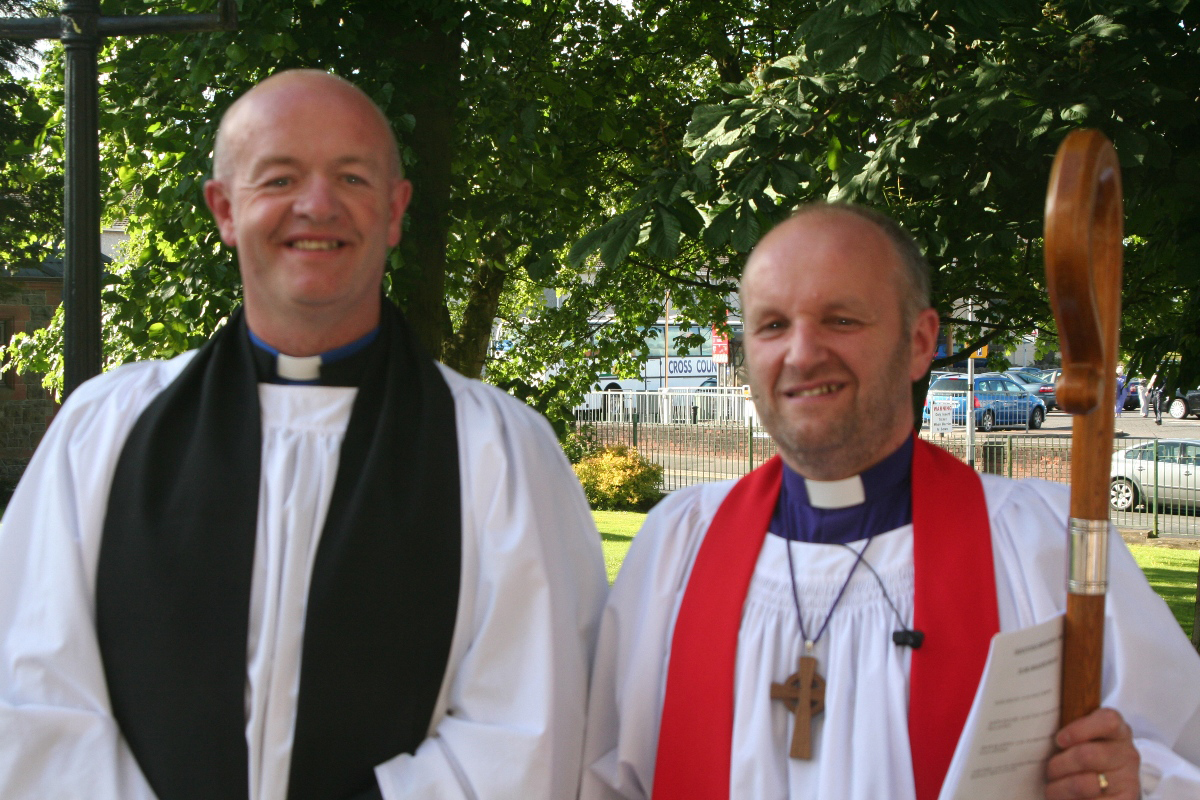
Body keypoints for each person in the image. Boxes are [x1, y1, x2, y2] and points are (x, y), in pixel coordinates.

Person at [0, 70, 607, 800]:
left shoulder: (499, 453)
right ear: (224, 209)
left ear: (394, 210)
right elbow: (33, 695)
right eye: (280, 178)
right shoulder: (105, 430)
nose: (317, 206)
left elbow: (528, 733)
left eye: (351, 178)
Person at [579, 204, 1200, 800]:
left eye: (841, 319)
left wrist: (1131, 781)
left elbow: (1176, 753)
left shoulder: (1040, 544)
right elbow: (603, 781)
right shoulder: (676, 549)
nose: (800, 353)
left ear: (920, 341)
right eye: (771, 325)